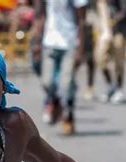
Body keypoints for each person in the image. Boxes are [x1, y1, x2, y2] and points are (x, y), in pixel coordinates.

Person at [30, 0, 87, 135]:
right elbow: (40, 15)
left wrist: (81, 48)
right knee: (47, 82)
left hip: (70, 42)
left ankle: (69, 116)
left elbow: (82, 21)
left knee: (66, 84)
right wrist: (37, 42)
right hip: (49, 41)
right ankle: (56, 103)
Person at [96, 0, 126, 104]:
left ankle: (119, 89)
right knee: (100, 59)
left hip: (119, 32)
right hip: (105, 32)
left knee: (119, 63)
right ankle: (110, 86)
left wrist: (114, 20)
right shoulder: (101, 3)